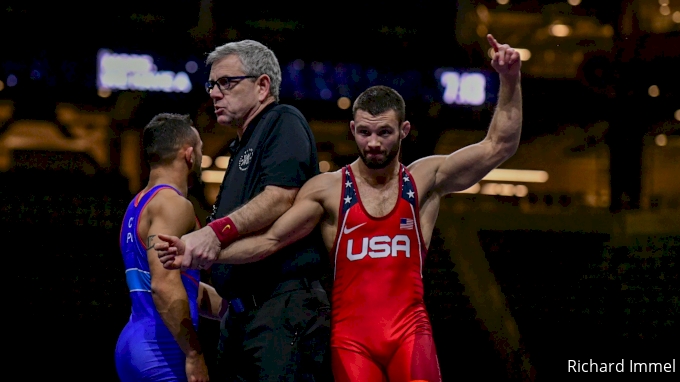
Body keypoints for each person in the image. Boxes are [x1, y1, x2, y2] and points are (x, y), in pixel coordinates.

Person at [159, 34, 522, 381]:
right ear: (352, 130)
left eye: (385, 133)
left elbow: (498, 145)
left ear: (405, 130)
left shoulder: (424, 180)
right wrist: (201, 251)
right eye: (365, 132)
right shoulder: (329, 190)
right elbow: (271, 241)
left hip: (410, 333)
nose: (374, 143)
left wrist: (509, 79)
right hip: (351, 341)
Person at [162, 40, 332, 381]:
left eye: (226, 82)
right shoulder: (241, 145)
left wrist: (214, 233)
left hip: (282, 311)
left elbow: (281, 196)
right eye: (212, 84)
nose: (214, 93)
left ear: (262, 85)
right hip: (240, 318)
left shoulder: (282, 121)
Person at [115, 113, 227, 381]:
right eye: (200, 148)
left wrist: (230, 309)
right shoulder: (174, 204)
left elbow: (179, 283)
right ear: (188, 155)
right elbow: (164, 285)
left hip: (135, 344)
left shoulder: (136, 206)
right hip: (162, 348)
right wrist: (194, 355)